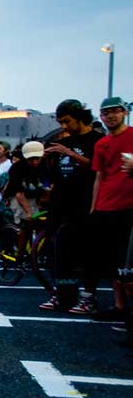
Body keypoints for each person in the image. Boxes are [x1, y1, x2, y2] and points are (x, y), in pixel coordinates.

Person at [40, 99, 102, 312]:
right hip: (60, 204)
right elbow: (54, 176)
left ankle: (88, 297)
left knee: (86, 254)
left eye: (67, 121)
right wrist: (48, 160)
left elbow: (99, 169)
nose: (64, 127)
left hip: (85, 205)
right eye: (60, 122)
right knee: (57, 250)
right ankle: (62, 295)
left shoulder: (97, 141)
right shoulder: (63, 141)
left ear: (79, 117)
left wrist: (71, 154)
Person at [81, 96, 133, 321]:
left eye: (115, 111)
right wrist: (94, 208)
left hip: (129, 207)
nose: (110, 116)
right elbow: (98, 177)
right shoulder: (101, 144)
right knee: (114, 262)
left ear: (124, 112)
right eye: (106, 113)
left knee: (128, 265)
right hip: (106, 206)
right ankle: (119, 306)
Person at [4, 141, 55, 261]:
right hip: (17, 196)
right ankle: (20, 253)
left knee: (43, 220)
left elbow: (50, 186)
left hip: (37, 195)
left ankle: (39, 250)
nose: (34, 162)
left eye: (37, 159)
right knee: (26, 220)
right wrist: (28, 212)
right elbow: (19, 194)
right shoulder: (16, 168)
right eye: (31, 159)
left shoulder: (45, 166)